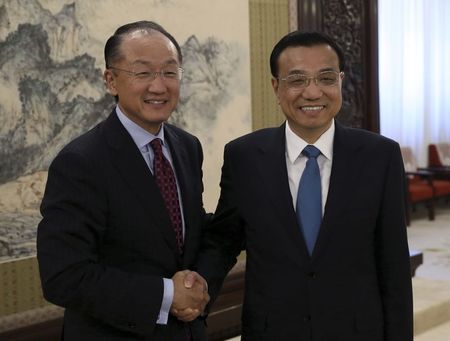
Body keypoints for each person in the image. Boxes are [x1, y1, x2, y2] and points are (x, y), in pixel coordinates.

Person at [197, 31, 413, 340]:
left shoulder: (380, 156)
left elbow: (393, 267)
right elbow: (223, 240)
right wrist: (198, 285)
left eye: (325, 79)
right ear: (276, 87)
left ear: (340, 81)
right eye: (297, 80)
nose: (312, 93)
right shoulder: (244, 156)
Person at [37, 21, 210, 341]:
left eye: (170, 72)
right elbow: (63, 276)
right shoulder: (81, 162)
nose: (159, 86)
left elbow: (188, 233)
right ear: (111, 80)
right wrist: (167, 296)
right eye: (143, 73)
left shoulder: (187, 146)